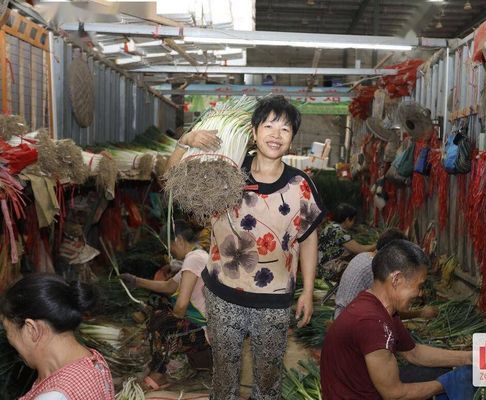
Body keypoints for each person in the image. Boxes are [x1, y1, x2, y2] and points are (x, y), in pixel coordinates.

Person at [168, 95, 324, 400]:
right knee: (224, 379)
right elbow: (171, 178)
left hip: (274, 300)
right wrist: (185, 141)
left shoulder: (301, 185)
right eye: (269, 126)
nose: (276, 135)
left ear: (292, 138)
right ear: (254, 132)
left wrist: (307, 291)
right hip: (224, 295)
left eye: (285, 129)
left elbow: (308, 239)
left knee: (268, 381)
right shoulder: (226, 171)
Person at [320, 240, 475, 400]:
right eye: (419, 286)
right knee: (445, 380)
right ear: (396, 280)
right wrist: (446, 384)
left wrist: (467, 357)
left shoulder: (381, 307)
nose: (420, 293)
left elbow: (413, 353)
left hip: (366, 390)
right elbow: (394, 395)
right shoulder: (372, 323)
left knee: (440, 371)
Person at [120, 219, 209, 390]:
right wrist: (136, 281)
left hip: (205, 325)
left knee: (165, 325)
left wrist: (172, 319)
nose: (171, 252)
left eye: (170, 246)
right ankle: (160, 368)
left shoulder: (194, 258)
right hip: (202, 319)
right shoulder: (198, 255)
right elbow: (169, 286)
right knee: (160, 314)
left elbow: (181, 306)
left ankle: (158, 375)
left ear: (179, 240)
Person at [0, 273, 114, 400]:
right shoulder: (93, 362)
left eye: (7, 330)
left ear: (31, 330)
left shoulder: (54, 396)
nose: (9, 339)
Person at [334, 228, 438, 320]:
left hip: (343, 315)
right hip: (352, 321)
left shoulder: (364, 256)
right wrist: (420, 313)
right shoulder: (376, 268)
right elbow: (389, 310)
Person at [317, 203, 375, 279]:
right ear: (347, 219)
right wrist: (378, 244)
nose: (353, 223)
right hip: (328, 270)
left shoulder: (329, 227)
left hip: (320, 267)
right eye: (353, 220)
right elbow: (360, 250)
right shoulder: (339, 232)